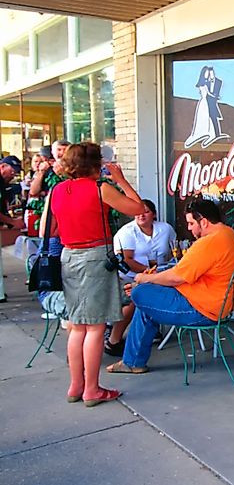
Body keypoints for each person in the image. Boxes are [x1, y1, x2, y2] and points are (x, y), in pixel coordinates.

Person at [48, 142, 145, 406]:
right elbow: (138, 209)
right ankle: (92, 389)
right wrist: (121, 180)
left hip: (69, 256)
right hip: (94, 257)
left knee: (77, 325)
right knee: (96, 326)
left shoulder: (57, 190)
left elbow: (54, 226)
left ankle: (75, 386)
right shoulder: (99, 188)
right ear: (96, 163)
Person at [107, 198, 234, 375]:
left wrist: (142, 279)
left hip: (202, 310)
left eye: (191, 223)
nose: (189, 228)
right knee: (147, 302)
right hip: (214, 303)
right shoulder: (228, 233)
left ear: (203, 221)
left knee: (140, 293)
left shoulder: (208, 243)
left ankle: (133, 361)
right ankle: (133, 362)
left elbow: (175, 277)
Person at [105, 200, 177, 357]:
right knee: (136, 297)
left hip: (158, 273)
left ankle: (151, 328)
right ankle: (114, 340)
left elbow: (174, 250)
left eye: (146, 211)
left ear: (154, 214)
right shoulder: (127, 232)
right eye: (137, 212)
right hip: (128, 276)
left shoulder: (165, 229)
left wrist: (163, 271)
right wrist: (149, 273)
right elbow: (127, 260)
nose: (141, 215)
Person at [0, 155, 26, 303]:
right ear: (3, 166)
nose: (13, 174)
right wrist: (12, 222)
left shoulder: (3, 184)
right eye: (12, 170)